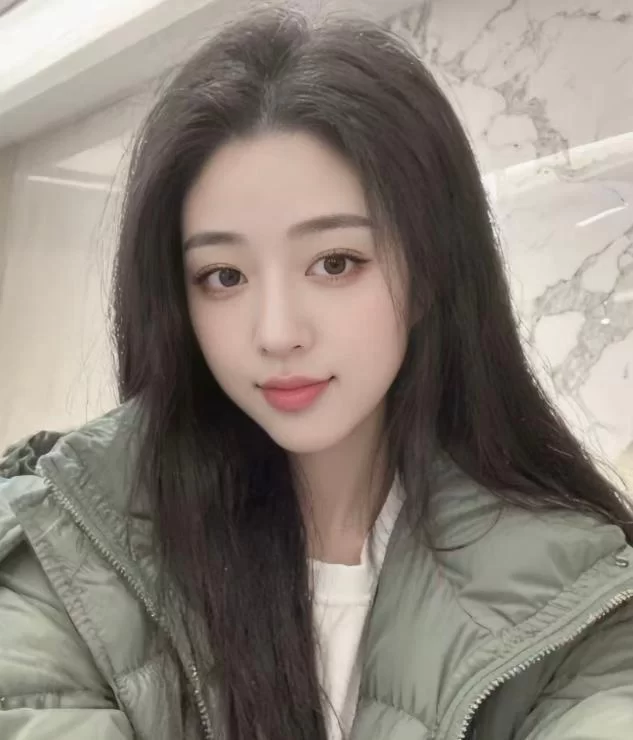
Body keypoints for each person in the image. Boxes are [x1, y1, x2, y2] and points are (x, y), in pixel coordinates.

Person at [1, 5, 632, 740]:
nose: (276, 333)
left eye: (335, 263)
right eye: (224, 276)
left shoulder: (576, 601)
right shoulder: (61, 552)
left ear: (429, 271)